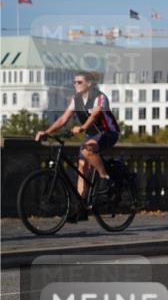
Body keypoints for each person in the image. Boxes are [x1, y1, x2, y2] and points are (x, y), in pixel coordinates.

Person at [35, 70, 120, 220]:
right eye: (74, 82)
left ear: (89, 84)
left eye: (79, 82)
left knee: (87, 150)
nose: (76, 84)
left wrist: (82, 127)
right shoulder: (76, 100)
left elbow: (94, 115)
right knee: (82, 166)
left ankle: (105, 178)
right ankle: (81, 209)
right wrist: (46, 132)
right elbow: (63, 119)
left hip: (107, 132)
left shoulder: (99, 97)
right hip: (91, 135)